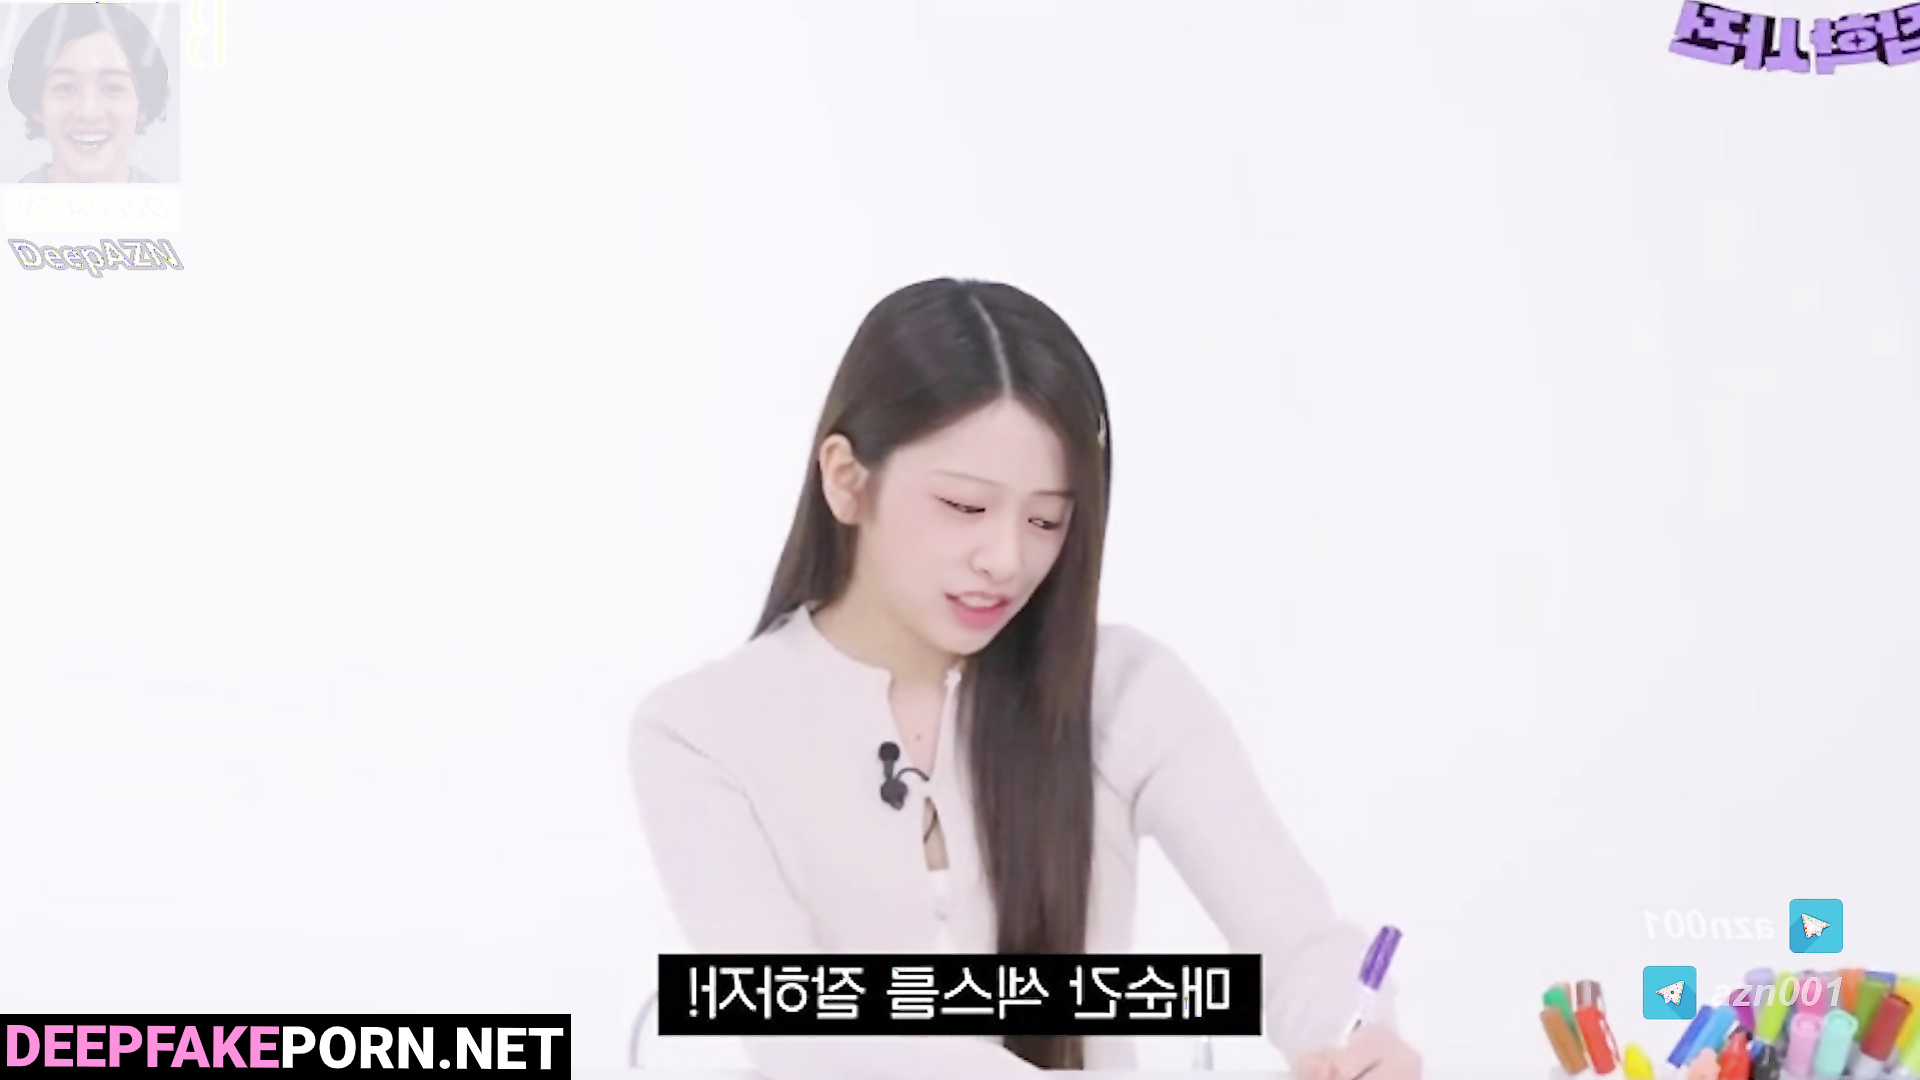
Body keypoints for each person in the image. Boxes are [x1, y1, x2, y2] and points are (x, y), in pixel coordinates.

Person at [628, 278, 1421, 1079]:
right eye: (965, 507)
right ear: (846, 478)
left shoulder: (1125, 692)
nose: (1007, 559)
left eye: (1046, 519)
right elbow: (804, 1036)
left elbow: (1296, 944)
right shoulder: (701, 733)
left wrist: (1353, 1036)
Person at [7, 3, 170, 183]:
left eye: (112, 88)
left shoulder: (180, 201)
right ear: (36, 106)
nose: (88, 113)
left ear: (143, 105)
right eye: (65, 88)